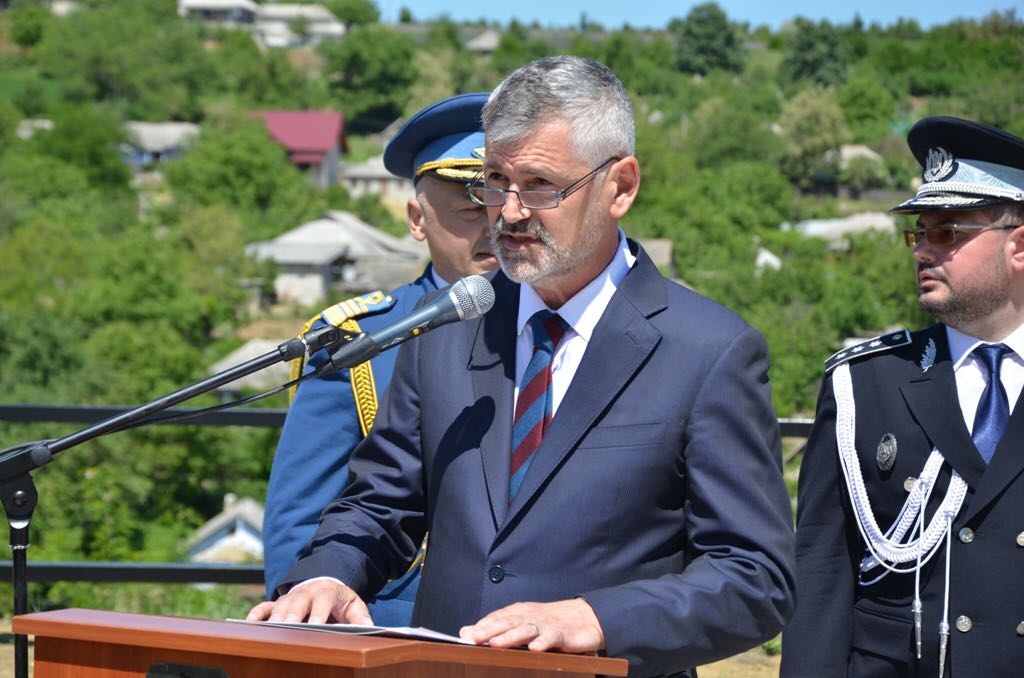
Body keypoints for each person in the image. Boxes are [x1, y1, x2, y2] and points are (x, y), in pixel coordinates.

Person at [249, 56, 795, 678]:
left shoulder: (707, 349)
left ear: (620, 186)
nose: (508, 212)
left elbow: (755, 578)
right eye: (494, 182)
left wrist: (597, 619)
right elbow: (380, 504)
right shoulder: (449, 325)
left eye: (539, 185)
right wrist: (329, 573)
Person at [781, 117, 1024, 677]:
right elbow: (821, 571)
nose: (922, 252)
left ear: (1018, 246)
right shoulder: (865, 385)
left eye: (948, 234)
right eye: (920, 234)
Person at [261, 92, 498, 624]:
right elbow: (300, 527)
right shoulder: (359, 339)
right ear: (418, 219)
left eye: (505, 207)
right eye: (469, 211)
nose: (494, 229)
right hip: (394, 631)